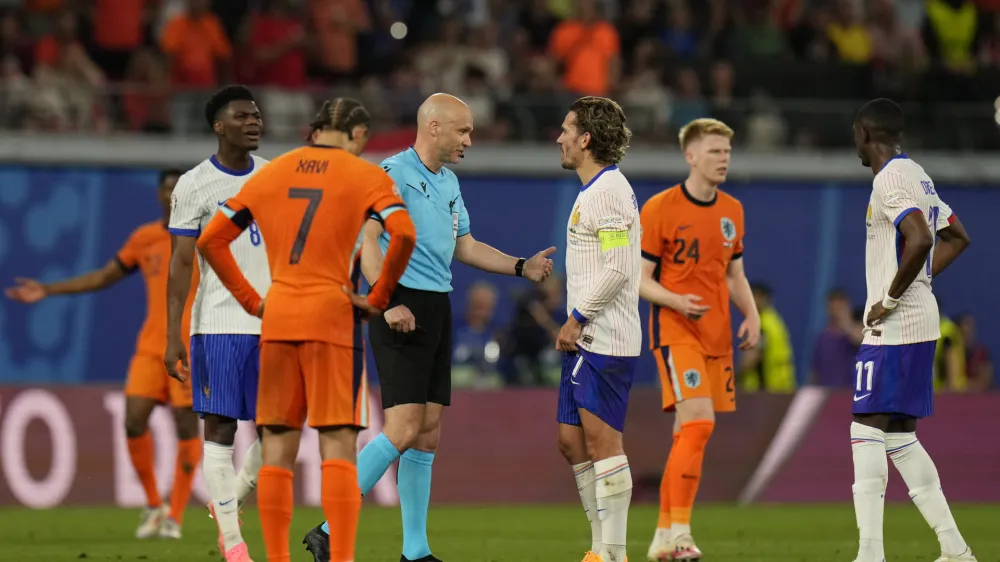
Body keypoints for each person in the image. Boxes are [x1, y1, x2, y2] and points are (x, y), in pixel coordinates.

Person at [302, 93, 555, 562]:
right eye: (463, 131)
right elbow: (366, 241)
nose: (469, 141)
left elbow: (466, 246)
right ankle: (327, 527)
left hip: (436, 306)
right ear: (434, 126)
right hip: (399, 305)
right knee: (402, 429)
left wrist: (522, 266)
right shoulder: (391, 174)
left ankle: (415, 552)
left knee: (428, 432)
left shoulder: (449, 182)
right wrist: (387, 301)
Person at [198, 98, 417, 562]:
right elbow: (403, 233)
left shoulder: (272, 173)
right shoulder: (366, 175)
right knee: (337, 446)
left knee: (277, 449)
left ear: (315, 129)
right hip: (333, 316)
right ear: (359, 135)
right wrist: (379, 298)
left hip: (278, 316)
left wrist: (252, 301)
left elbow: (211, 239)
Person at [5, 169, 201, 540]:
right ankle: (153, 505)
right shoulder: (144, 238)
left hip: (190, 349)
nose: (173, 195)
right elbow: (103, 277)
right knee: (133, 421)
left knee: (186, 427)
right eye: (167, 188)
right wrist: (48, 290)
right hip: (150, 347)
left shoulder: (204, 239)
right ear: (159, 195)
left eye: (179, 189)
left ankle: (174, 516)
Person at [850, 97, 974, 562]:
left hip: (896, 325)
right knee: (900, 436)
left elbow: (920, 237)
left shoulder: (889, 179)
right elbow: (957, 236)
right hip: (921, 321)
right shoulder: (917, 174)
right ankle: (955, 549)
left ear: (864, 134)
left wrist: (891, 297)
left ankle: (870, 553)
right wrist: (918, 281)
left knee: (865, 427)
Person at [638, 117, 760, 561]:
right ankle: (681, 534)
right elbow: (640, 278)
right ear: (690, 156)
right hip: (676, 331)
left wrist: (753, 315)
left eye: (726, 152)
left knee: (687, 434)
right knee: (699, 422)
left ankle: (662, 536)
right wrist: (675, 300)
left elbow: (734, 275)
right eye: (714, 151)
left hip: (717, 336)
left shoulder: (733, 210)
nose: (723, 159)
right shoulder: (660, 208)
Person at [164, 85, 270, 562]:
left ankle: (230, 500)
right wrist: (173, 336)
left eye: (256, 115)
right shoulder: (194, 185)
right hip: (220, 323)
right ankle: (233, 543)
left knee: (279, 429)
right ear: (218, 126)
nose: (254, 122)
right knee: (221, 430)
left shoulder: (273, 176)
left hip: (272, 323)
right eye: (242, 116)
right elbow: (181, 264)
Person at [553, 96, 641, 562]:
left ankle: (613, 553)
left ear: (586, 139)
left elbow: (618, 267)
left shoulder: (607, 192)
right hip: (586, 340)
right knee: (571, 443)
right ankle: (600, 547)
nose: (560, 138)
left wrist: (577, 318)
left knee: (604, 445)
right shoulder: (594, 190)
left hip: (605, 338)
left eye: (567, 130)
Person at [738, 282, 795, 393]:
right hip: (782, 388)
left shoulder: (760, 325)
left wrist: (735, 378)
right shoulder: (775, 322)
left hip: (762, 390)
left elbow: (751, 359)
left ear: (760, 297)